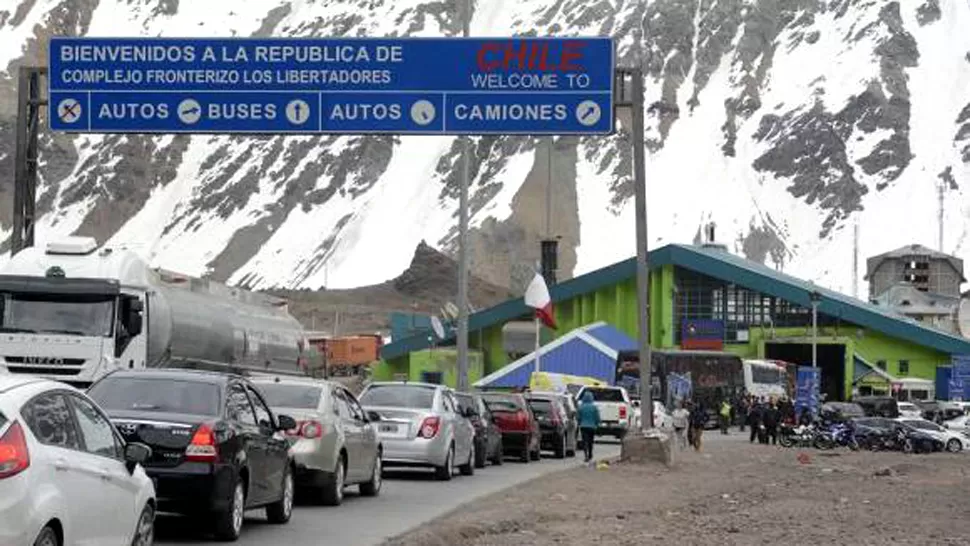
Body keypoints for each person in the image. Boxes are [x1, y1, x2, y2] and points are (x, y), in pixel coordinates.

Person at [577, 390, 601, 462]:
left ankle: (586, 455)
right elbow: (597, 418)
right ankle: (590, 454)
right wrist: (597, 424)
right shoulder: (594, 407)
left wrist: (579, 423)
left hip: (583, 426)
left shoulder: (581, 407)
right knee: (591, 441)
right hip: (592, 427)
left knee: (585, 441)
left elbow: (578, 417)